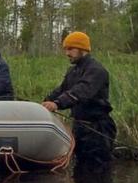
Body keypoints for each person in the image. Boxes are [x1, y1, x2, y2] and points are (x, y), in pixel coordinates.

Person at [41, 31, 115, 171]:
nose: (67, 53)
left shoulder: (97, 70)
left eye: (70, 49)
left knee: (98, 172)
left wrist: (57, 104)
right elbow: (61, 90)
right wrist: (43, 103)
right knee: (80, 170)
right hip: (80, 128)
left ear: (83, 49)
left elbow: (82, 91)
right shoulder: (73, 71)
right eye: (65, 49)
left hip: (98, 129)